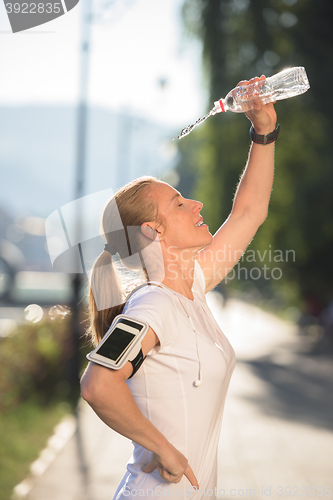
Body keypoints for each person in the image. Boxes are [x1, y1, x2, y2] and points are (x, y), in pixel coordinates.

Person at [80, 76, 278, 499]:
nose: (197, 205)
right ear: (154, 231)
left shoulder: (192, 289)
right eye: (179, 203)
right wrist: (164, 450)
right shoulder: (154, 304)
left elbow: (247, 214)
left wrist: (263, 132)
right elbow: (98, 385)